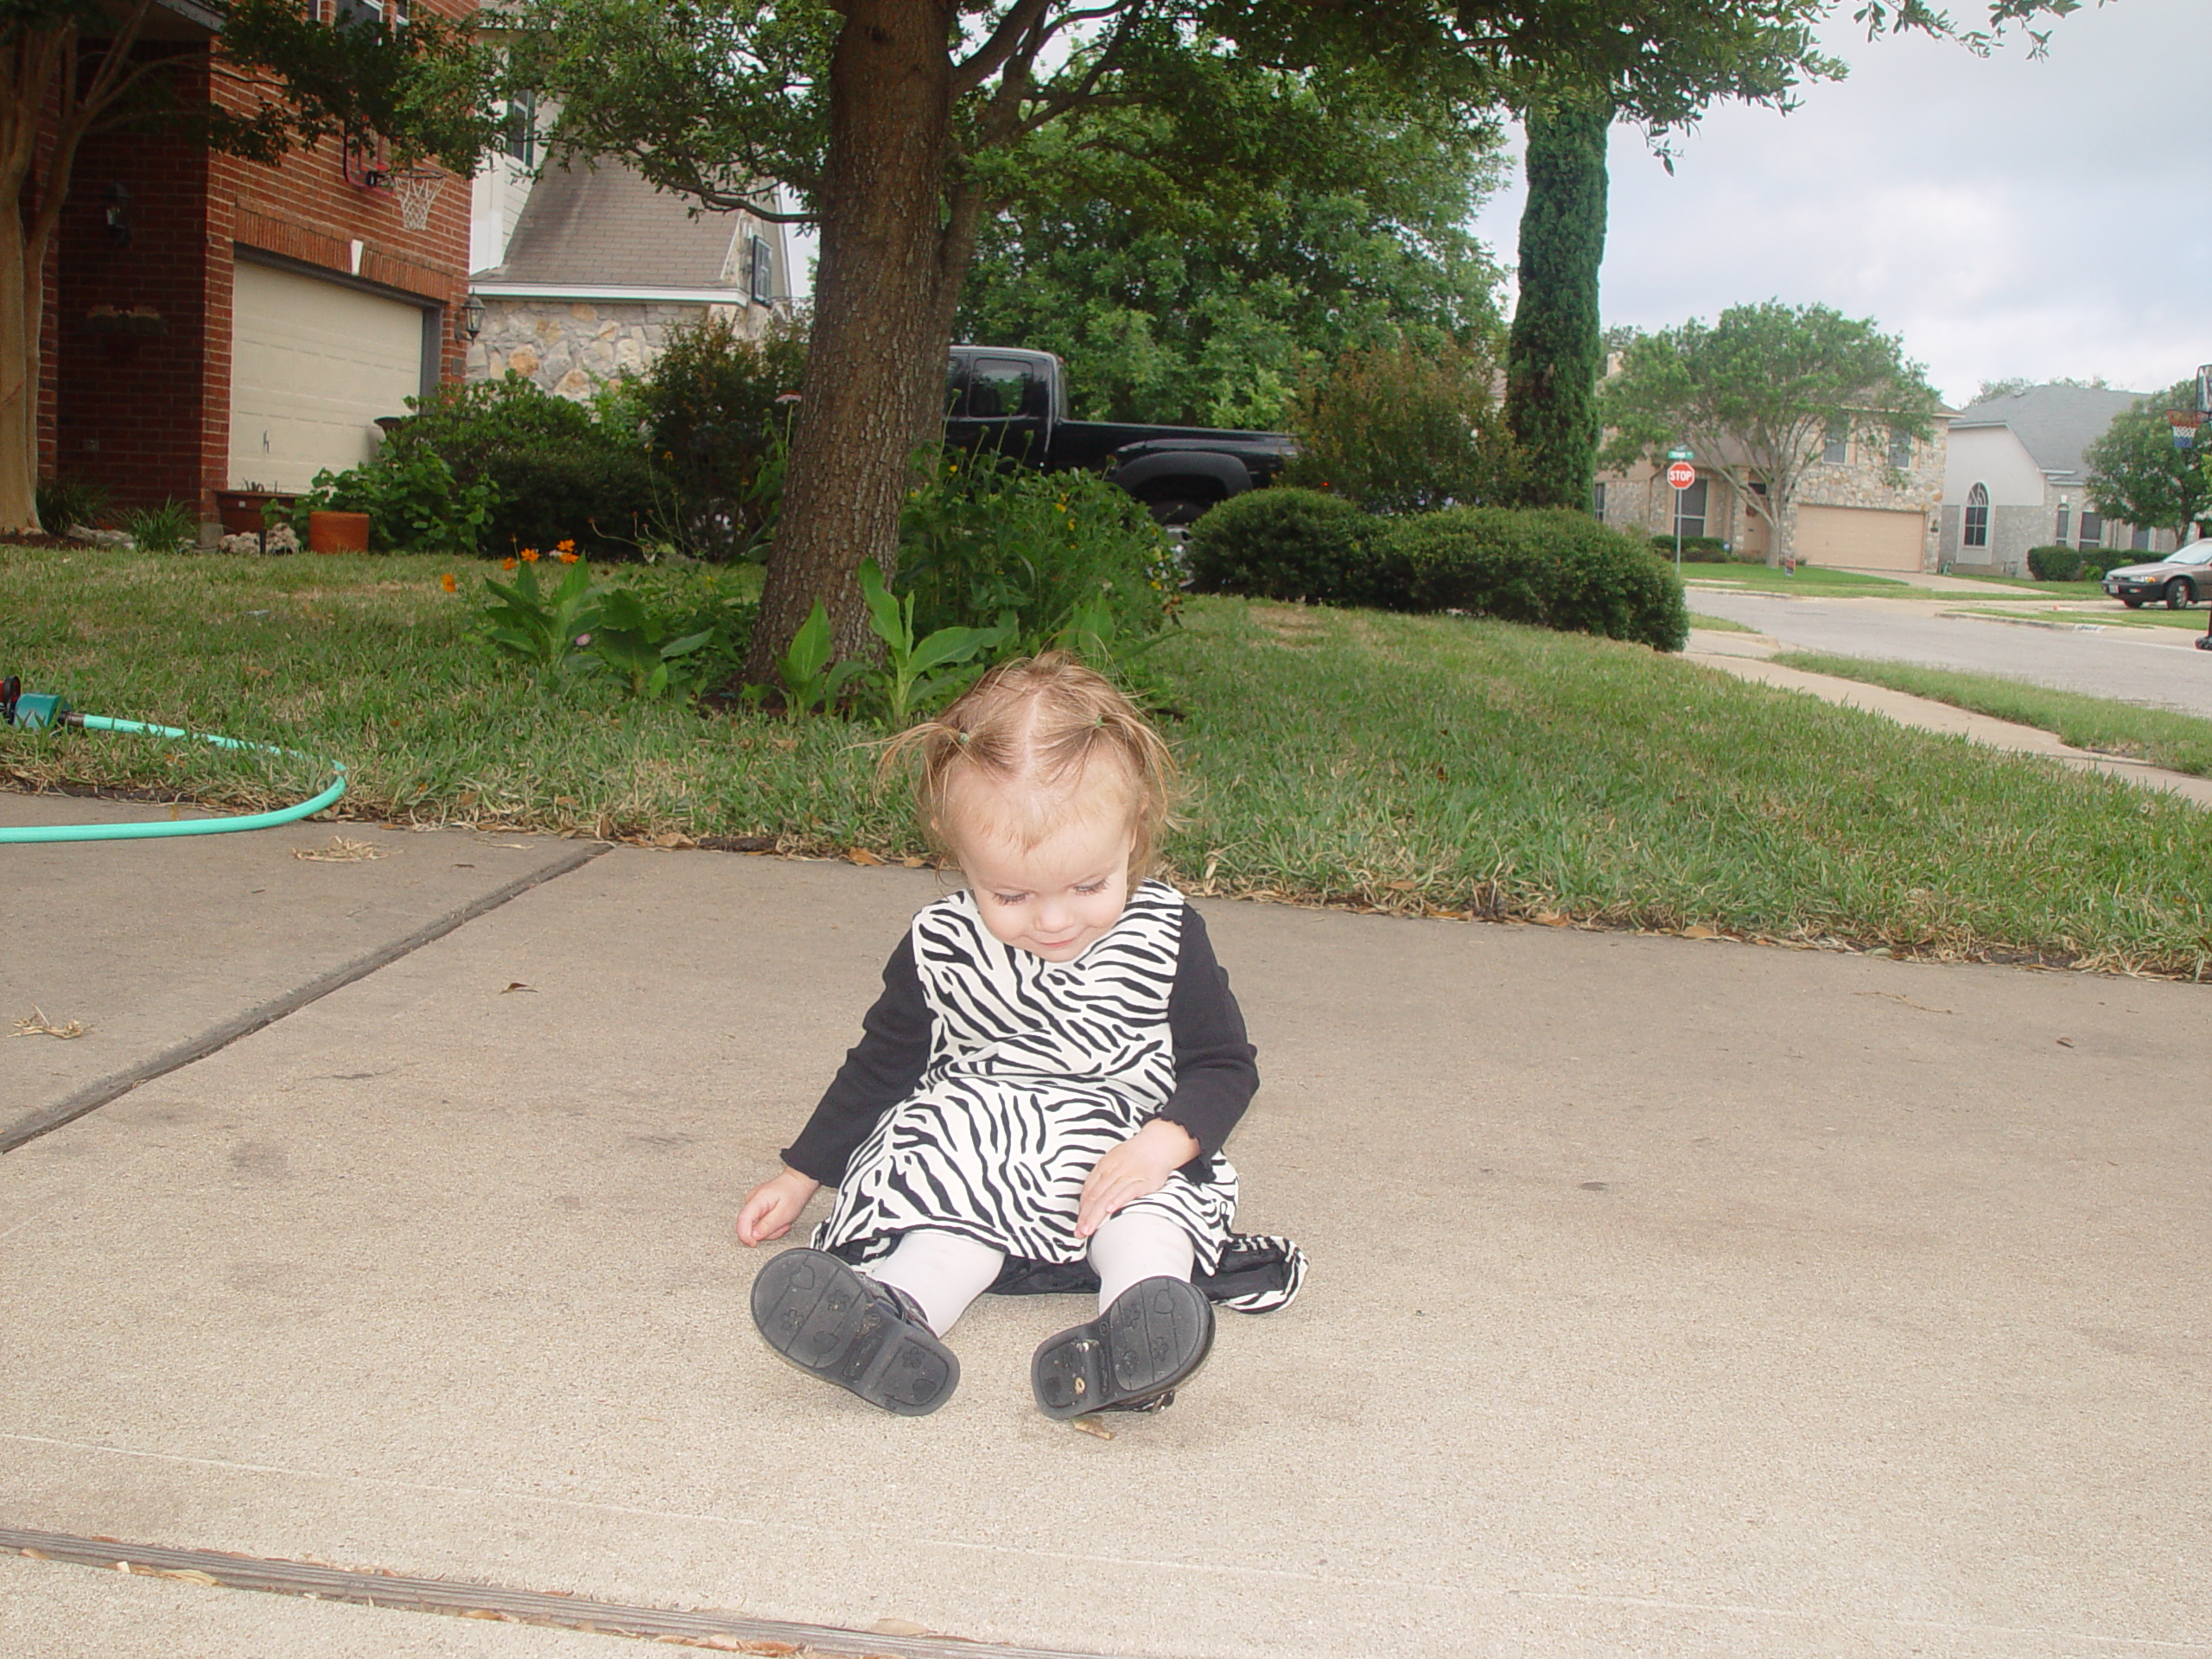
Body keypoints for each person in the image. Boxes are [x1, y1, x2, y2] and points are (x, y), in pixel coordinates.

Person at [735, 652, 1304, 1419]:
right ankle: (892, 1319)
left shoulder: (1166, 935)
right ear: (955, 852)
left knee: (1150, 1222)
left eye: (1088, 885)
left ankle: (1138, 1329)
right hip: (981, 1142)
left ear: (1133, 837)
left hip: (1116, 1146)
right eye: (1009, 894)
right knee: (943, 1221)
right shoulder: (939, 943)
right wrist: (800, 1174)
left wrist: (1159, 1148)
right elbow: (880, 1067)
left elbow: (1224, 1065)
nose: (1054, 920)